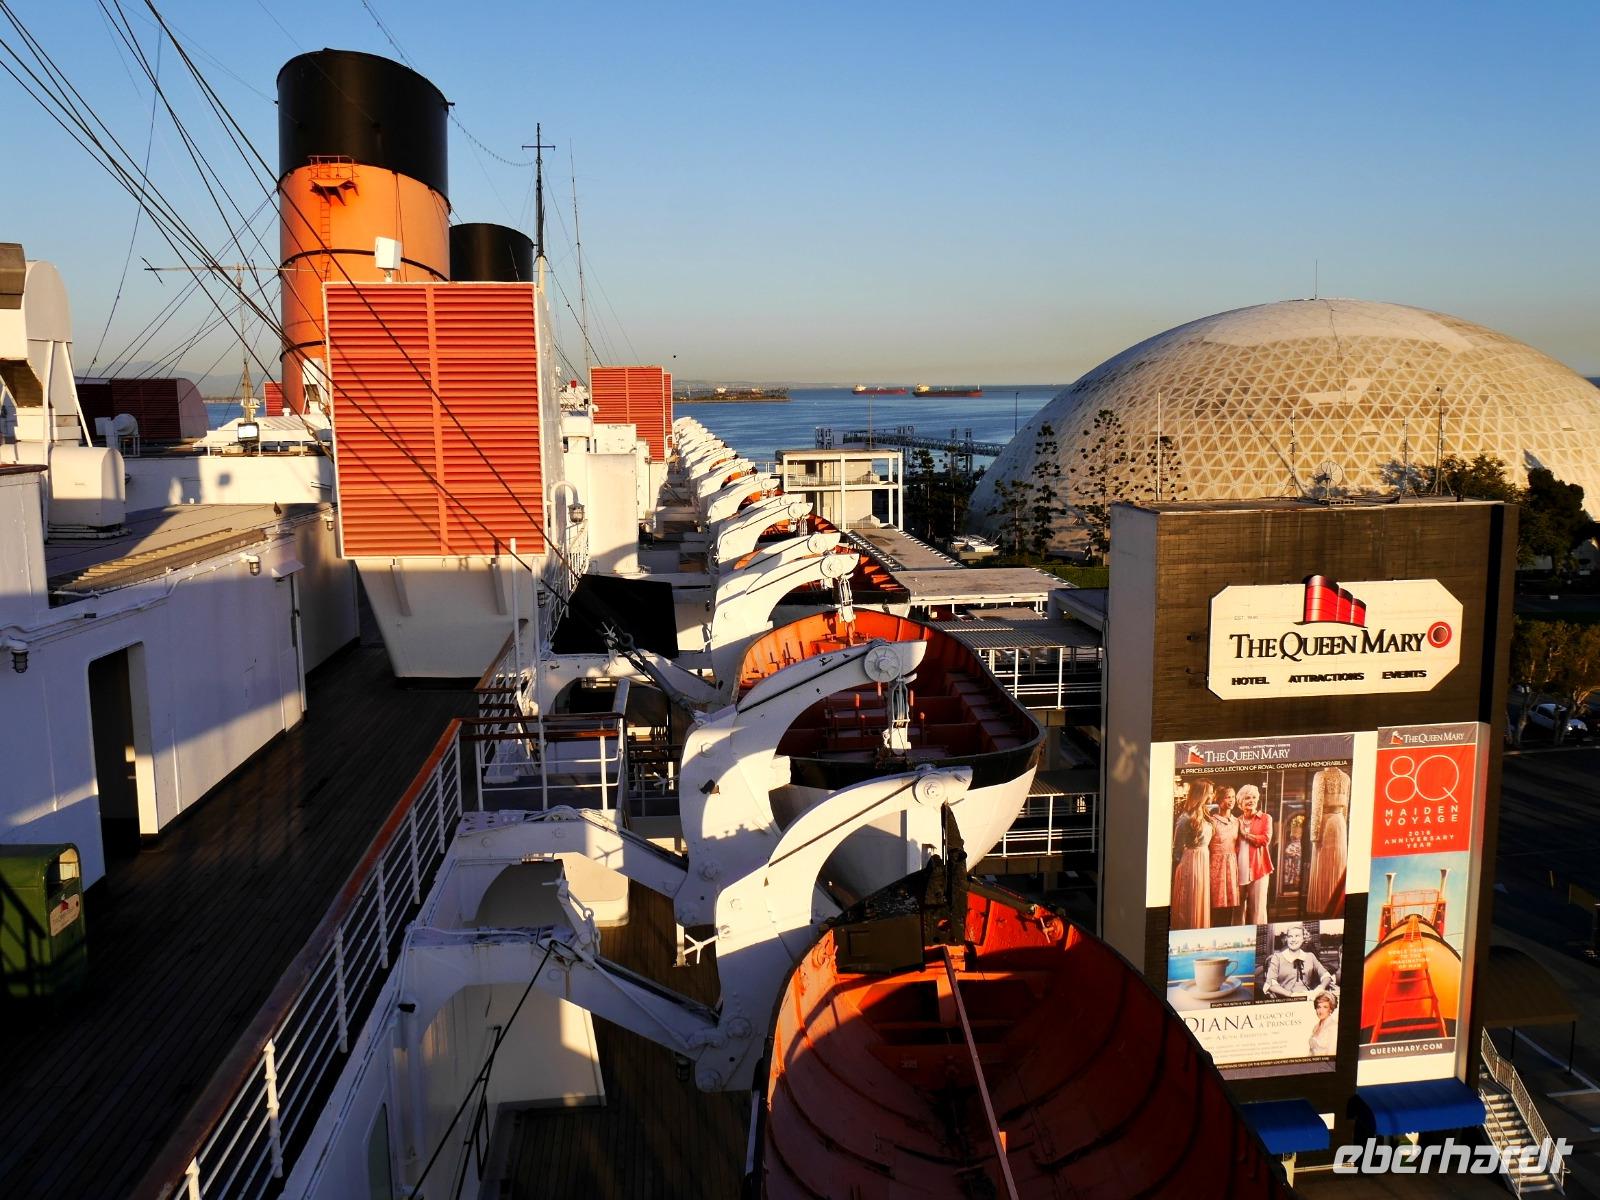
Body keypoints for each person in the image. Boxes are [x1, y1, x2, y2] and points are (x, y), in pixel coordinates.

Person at [1305, 767, 1350, 917]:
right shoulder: (1346, 777)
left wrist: (1314, 834)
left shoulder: (1320, 776)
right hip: (1340, 823)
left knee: (1323, 862)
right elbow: (1346, 809)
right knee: (1338, 863)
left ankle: (1322, 903)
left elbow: (1317, 806)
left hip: (1326, 823)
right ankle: (1336, 904)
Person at [1170, 779, 1213, 930]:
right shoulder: (1185, 818)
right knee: (1191, 899)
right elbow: (1176, 847)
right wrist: (1182, 866)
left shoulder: (1205, 814)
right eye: (1209, 792)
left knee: (1199, 898)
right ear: (1201, 794)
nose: (1212, 795)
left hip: (1202, 860)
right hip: (1192, 862)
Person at [1262, 923, 1334, 1000]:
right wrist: (1291, 995)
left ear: (1303, 938)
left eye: (1297, 936)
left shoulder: (1310, 956)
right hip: (1285, 999)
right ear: (1287, 939)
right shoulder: (1277, 957)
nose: (1293, 940)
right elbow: (1270, 983)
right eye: (1290, 936)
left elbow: (1326, 975)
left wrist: (1320, 988)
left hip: (1308, 998)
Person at [1236, 785, 1274, 924]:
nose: (1251, 800)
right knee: (1238, 909)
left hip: (1259, 869)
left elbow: (1265, 839)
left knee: (1257, 909)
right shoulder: (1236, 821)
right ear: (1240, 803)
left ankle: (1258, 936)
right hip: (1238, 870)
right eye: (1247, 798)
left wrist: (1245, 834)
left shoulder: (1265, 818)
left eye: (1253, 797)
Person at [1207, 785, 1241, 926]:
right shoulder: (1211, 821)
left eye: (1233, 797)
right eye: (1228, 797)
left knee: (1230, 906)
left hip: (1232, 865)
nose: (1231, 800)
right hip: (1216, 865)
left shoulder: (1236, 821)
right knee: (1216, 904)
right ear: (1219, 799)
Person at [1308, 991, 1338, 1056]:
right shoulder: (1316, 1027)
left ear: (1331, 1009)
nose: (1321, 1011)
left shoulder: (1334, 1027)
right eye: (1318, 1007)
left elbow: (1331, 1054)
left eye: (1325, 1007)